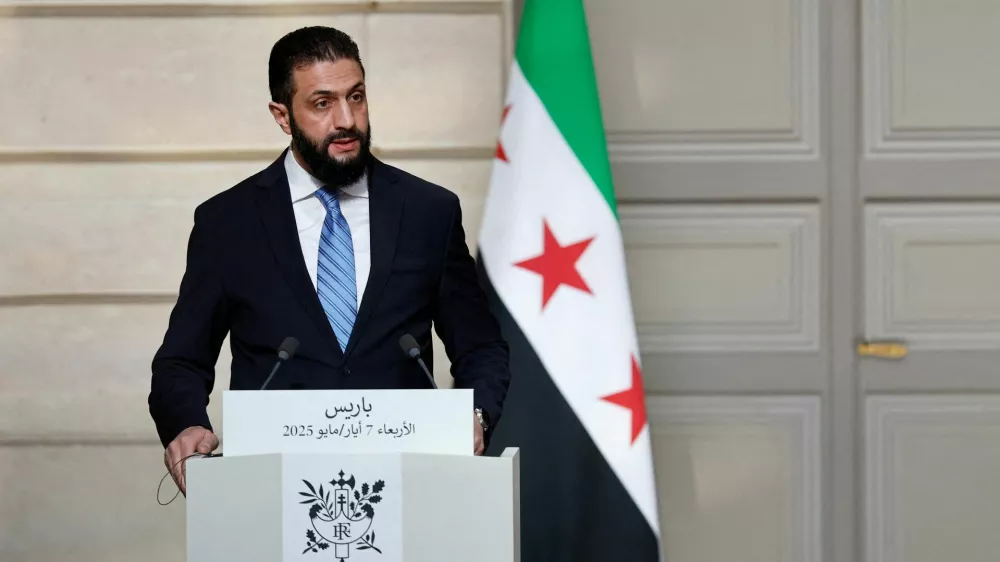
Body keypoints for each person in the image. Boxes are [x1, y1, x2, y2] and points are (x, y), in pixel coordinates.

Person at [148, 26, 511, 493]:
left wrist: (475, 413)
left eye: (356, 97)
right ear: (282, 115)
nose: (346, 120)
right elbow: (181, 360)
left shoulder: (428, 212)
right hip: (270, 489)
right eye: (322, 104)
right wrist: (185, 424)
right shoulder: (227, 223)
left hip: (413, 486)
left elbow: (480, 346)